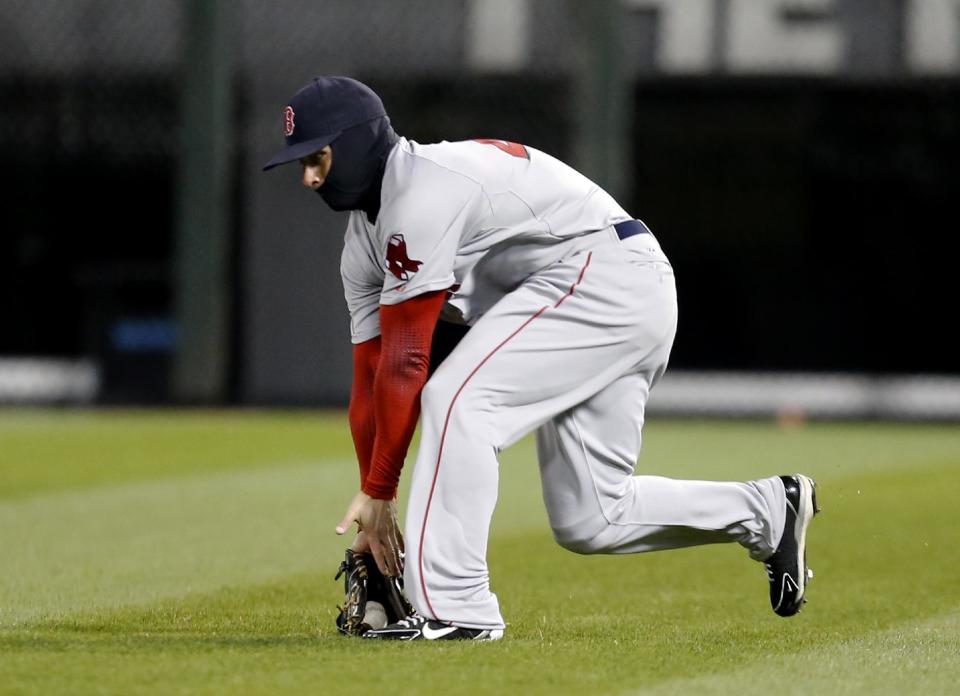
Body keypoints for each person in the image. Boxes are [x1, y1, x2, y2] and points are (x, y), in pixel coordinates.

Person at [263, 76, 819, 641]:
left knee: (458, 401)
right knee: (591, 516)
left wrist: (381, 493)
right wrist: (372, 498)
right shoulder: (362, 244)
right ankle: (766, 511)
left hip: (605, 275)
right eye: (300, 164)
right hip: (604, 295)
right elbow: (371, 375)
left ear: (356, 142)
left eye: (318, 157)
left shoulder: (421, 193)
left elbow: (408, 362)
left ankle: (459, 609)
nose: (308, 178)